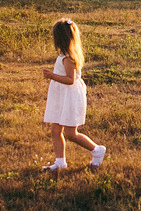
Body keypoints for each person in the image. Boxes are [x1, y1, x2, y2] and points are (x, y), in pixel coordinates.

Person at [41, 18, 106, 171]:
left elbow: (70, 80)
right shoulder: (64, 56)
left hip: (69, 97)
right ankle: (60, 162)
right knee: (55, 130)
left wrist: (52, 76)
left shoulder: (68, 59)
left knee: (71, 133)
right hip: (61, 97)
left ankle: (97, 150)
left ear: (60, 40)